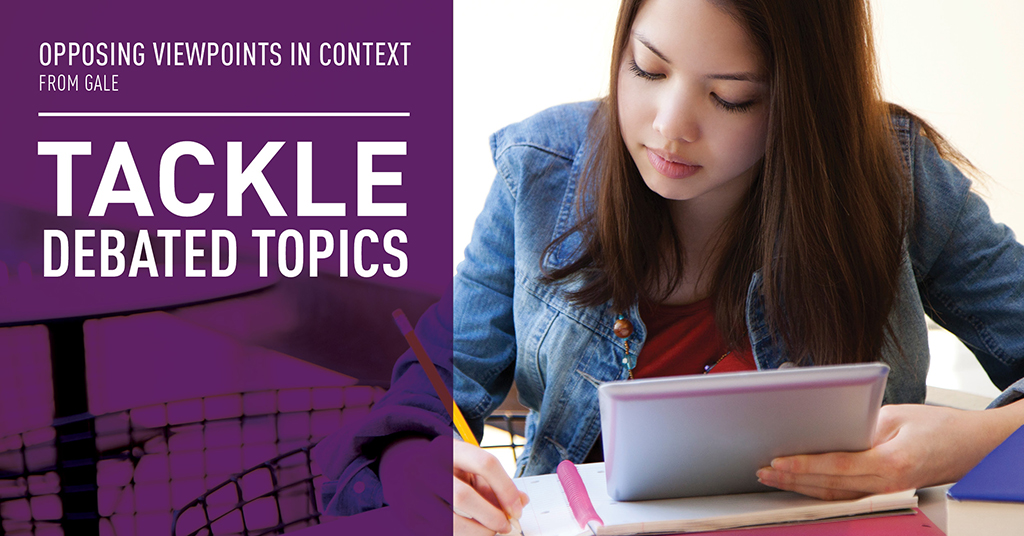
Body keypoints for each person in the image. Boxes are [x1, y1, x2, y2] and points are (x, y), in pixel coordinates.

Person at [314, 1, 1024, 534]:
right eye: (647, 69)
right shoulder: (539, 174)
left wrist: (976, 441)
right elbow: (417, 405)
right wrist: (416, 465)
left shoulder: (890, 174)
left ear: (806, 103)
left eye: (731, 96)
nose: (668, 125)